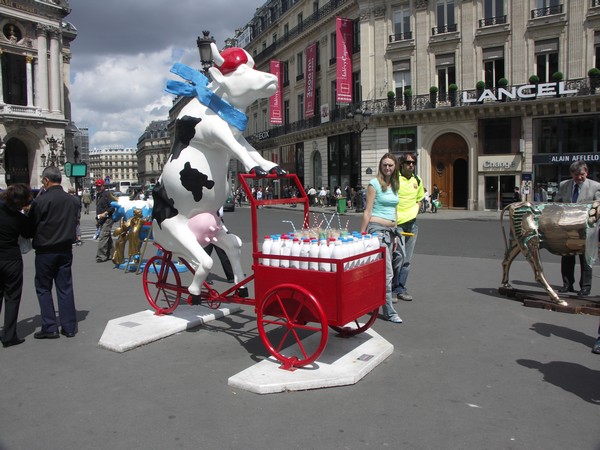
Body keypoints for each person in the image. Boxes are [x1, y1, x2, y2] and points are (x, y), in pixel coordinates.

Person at [28, 166, 81, 339]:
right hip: (65, 249)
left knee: (43, 288)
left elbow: (30, 227)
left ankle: (50, 326)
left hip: (45, 251)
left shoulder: (40, 201)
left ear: (46, 180)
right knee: (65, 287)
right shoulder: (73, 200)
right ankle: (69, 327)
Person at [360, 153, 402, 324]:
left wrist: (396, 233)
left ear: (395, 167)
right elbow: (368, 211)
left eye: (390, 165)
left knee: (394, 264)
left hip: (391, 232)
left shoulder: (395, 185)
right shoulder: (374, 184)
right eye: (384, 165)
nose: (387, 168)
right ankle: (389, 311)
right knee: (387, 272)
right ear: (380, 166)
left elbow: (395, 211)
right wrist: (362, 235)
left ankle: (373, 301)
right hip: (377, 231)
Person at [553, 160, 600, 297]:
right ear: (571, 174)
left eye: (582, 174)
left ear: (587, 172)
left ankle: (585, 287)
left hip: (587, 229)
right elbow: (557, 202)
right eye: (576, 175)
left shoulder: (595, 186)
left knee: (585, 259)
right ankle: (567, 284)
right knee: (567, 257)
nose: (579, 177)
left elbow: (598, 207)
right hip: (568, 228)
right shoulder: (564, 185)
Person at [0, 184, 34, 347]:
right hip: (11, 259)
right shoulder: (20, 218)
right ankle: (9, 336)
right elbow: (28, 233)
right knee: (12, 297)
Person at [393, 152, 425, 302]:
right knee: (399, 257)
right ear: (402, 164)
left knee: (407, 259)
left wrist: (416, 209)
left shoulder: (417, 180)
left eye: (413, 163)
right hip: (398, 223)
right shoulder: (395, 179)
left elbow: (420, 198)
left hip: (412, 224)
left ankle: (400, 288)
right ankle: (392, 288)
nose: (411, 165)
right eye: (408, 162)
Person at [95, 179, 117, 263]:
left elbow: (113, 206)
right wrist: (98, 221)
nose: (98, 188)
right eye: (97, 186)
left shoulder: (107, 194)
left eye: (99, 186)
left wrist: (106, 212)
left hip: (108, 218)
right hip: (101, 219)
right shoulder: (98, 195)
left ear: (103, 186)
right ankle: (113, 254)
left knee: (103, 236)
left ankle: (101, 256)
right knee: (107, 236)